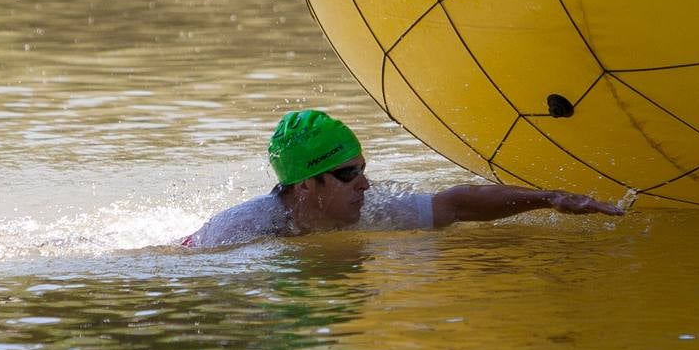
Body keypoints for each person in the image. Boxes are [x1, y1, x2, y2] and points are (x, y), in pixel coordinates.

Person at [182, 109, 625, 248]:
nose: (365, 185)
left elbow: (457, 204)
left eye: (363, 170)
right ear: (304, 185)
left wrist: (550, 199)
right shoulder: (242, 232)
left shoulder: (372, 210)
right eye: (347, 174)